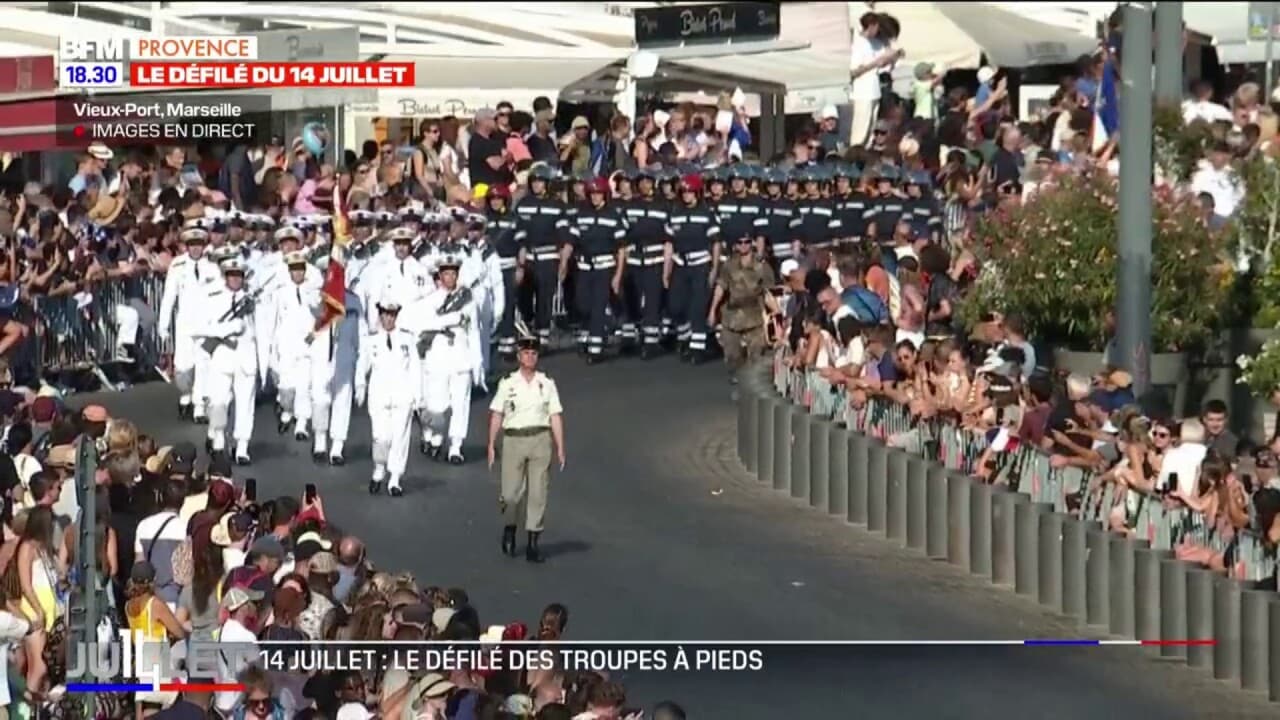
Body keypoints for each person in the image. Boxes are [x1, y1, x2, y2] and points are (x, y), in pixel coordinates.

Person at [487, 336, 566, 563]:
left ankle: (533, 543)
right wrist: (491, 444)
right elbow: (497, 414)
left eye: (534, 354)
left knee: (538, 493)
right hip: (514, 439)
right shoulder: (508, 383)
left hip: (540, 439)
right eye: (526, 353)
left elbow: (555, 415)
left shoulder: (547, 383)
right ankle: (510, 528)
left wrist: (560, 446)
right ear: (519, 356)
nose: (530, 357)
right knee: (511, 494)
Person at [407, 255, 481, 465]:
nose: (450, 277)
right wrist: (450, 320)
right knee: (436, 406)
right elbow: (421, 325)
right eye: (446, 273)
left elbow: (472, 329)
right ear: (440, 276)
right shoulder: (429, 301)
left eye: (453, 273)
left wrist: (478, 363)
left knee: (460, 405)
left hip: (460, 358)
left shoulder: (467, 299)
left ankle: (455, 447)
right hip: (437, 358)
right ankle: (433, 436)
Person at [355, 290, 422, 497]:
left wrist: (417, 396)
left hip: (402, 394)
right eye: (385, 314)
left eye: (392, 314)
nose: (388, 318)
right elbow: (362, 365)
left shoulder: (406, 339)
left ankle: (394, 478)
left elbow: (415, 368)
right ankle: (379, 469)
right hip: (379, 394)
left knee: (400, 437)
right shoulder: (370, 339)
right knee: (381, 437)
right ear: (380, 315)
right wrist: (360, 386)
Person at [195, 255, 259, 465]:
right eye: (231, 275)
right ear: (224, 276)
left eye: (238, 275)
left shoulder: (252, 300)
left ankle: (241, 447)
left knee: (245, 404)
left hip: (246, 358)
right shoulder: (212, 298)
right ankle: (219, 442)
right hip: (222, 356)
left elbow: (264, 331)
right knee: (219, 402)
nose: (235, 279)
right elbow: (200, 328)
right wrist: (228, 329)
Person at [158, 225, 219, 423]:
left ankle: (199, 407)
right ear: (186, 246)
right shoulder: (177, 265)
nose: (195, 249)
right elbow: (169, 296)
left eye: (199, 244)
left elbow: (219, 296)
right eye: (191, 244)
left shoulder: (212, 267)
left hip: (206, 325)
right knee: (183, 368)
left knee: (204, 366)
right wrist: (163, 324)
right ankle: (185, 397)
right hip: (184, 324)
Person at [565, 177, 626, 364]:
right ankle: (602, 326)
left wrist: (617, 275)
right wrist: (563, 264)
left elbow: (622, 249)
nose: (595, 198)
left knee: (598, 305)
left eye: (599, 194)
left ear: (605, 195)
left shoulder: (613, 216)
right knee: (583, 304)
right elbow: (570, 242)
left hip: (604, 266)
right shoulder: (581, 214)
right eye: (592, 194)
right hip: (584, 266)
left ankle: (596, 348)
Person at [665, 174, 721, 363]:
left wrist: (713, 268)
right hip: (680, 263)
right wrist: (667, 270)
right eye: (684, 192)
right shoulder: (675, 213)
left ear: (697, 193)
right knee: (675, 305)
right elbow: (669, 244)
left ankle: (697, 348)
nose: (687, 195)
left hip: (700, 264)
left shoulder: (706, 213)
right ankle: (685, 337)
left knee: (698, 306)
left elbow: (715, 243)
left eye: (690, 192)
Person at [709, 233, 779, 383]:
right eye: (740, 242)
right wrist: (712, 311)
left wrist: (776, 314)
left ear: (752, 243)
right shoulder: (729, 265)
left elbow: (769, 292)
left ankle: (753, 383)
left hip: (755, 315)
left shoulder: (762, 266)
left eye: (747, 242)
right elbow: (721, 287)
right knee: (732, 353)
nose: (743, 245)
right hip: (733, 315)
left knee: (756, 354)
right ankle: (738, 377)